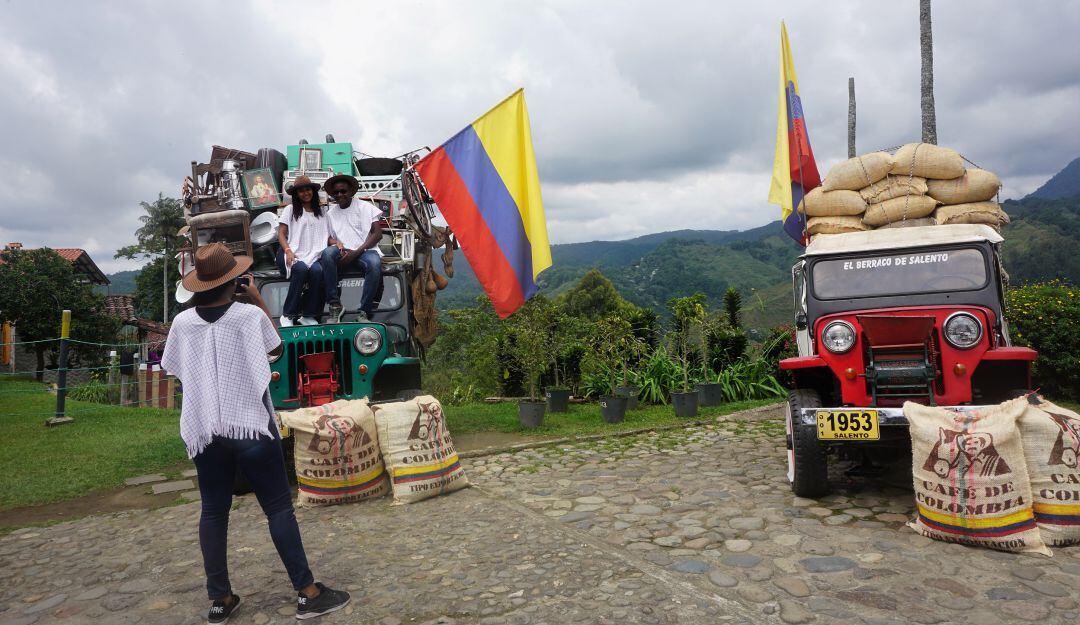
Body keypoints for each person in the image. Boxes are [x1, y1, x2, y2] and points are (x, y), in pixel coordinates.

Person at [160, 243, 350, 624]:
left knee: (213, 512)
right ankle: (308, 593)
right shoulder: (248, 316)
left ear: (199, 284)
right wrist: (260, 300)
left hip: (205, 432)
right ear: (234, 280)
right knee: (278, 507)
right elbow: (277, 350)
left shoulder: (183, 323)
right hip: (250, 428)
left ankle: (220, 600)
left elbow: (173, 367)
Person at [320, 174, 384, 323]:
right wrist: (336, 243)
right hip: (341, 251)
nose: (340, 195)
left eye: (343, 191)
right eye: (336, 192)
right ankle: (335, 305)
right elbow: (327, 238)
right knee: (327, 254)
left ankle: (364, 312)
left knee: (374, 264)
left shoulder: (366, 207)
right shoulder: (330, 214)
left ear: (351, 191)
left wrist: (356, 252)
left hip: (365, 251)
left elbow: (377, 234)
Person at [277, 175, 330, 327]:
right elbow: (281, 234)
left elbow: (325, 236)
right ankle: (288, 315)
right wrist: (287, 250)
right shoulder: (290, 209)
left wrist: (337, 243)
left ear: (313, 191)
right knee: (300, 269)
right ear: (296, 194)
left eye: (308, 189)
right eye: (301, 191)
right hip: (289, 251)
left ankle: (307, 315)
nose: (305, 193)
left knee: (317, 271)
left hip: (313, 254)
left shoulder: (321, 212)